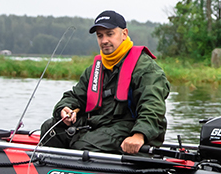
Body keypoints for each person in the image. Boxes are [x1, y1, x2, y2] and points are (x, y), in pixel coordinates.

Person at [40, 10, 169, 154]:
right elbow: (76, 96)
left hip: (129, 128)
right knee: (49, 129)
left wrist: (140, 134)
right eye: (100, 36)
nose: (104, 40)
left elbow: (153, 106)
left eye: (109, 34)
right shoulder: (95, 69)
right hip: (99, 126)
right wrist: (65, 108)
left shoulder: (146, 68)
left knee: (83, 146)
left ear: (124, 34)